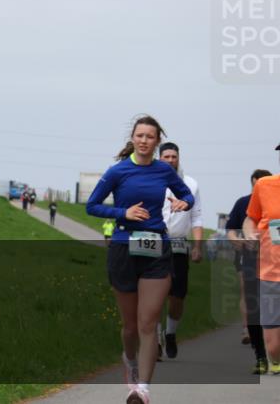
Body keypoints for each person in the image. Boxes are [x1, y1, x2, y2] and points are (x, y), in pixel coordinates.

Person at [85, 115, 193, 404]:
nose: (144, 141)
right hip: (123, 248)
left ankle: (142, 389)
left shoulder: (164, 170)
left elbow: (186, 196)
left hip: (156, 249)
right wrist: (124, 213)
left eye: (150, 136)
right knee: (131, 326)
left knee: (148, 323)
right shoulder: (117, 171)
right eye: (140, 135)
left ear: (157, 142)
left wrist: (183, 202)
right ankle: (130, 360)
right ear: (133, 138)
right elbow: (92, 206)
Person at [154, 142, 203, 360]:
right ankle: (155, 340)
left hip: (178, 244)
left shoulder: (190, 184)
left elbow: (197, 217)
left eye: (174, 157)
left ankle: (170, 333)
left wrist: (198, 246)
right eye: (166, 156)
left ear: (179, 158)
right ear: (160, 158)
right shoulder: (151, 181)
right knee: (154, 294)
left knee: (177, 296)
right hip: (154, 242)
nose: (170, 160)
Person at [227, 169, 273, 374]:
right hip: (251, 258)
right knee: (252, 301)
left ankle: (273, 351)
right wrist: (239, 239)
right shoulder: (245, 202)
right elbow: (235, 226)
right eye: (256, 185)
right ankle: (260, 354)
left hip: (274, 261)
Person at [242, 143, 280, 377]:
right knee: (273, 348)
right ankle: (274, 360)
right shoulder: (265, 185)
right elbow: (250, 219)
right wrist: (249, 233)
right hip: (271, 272)